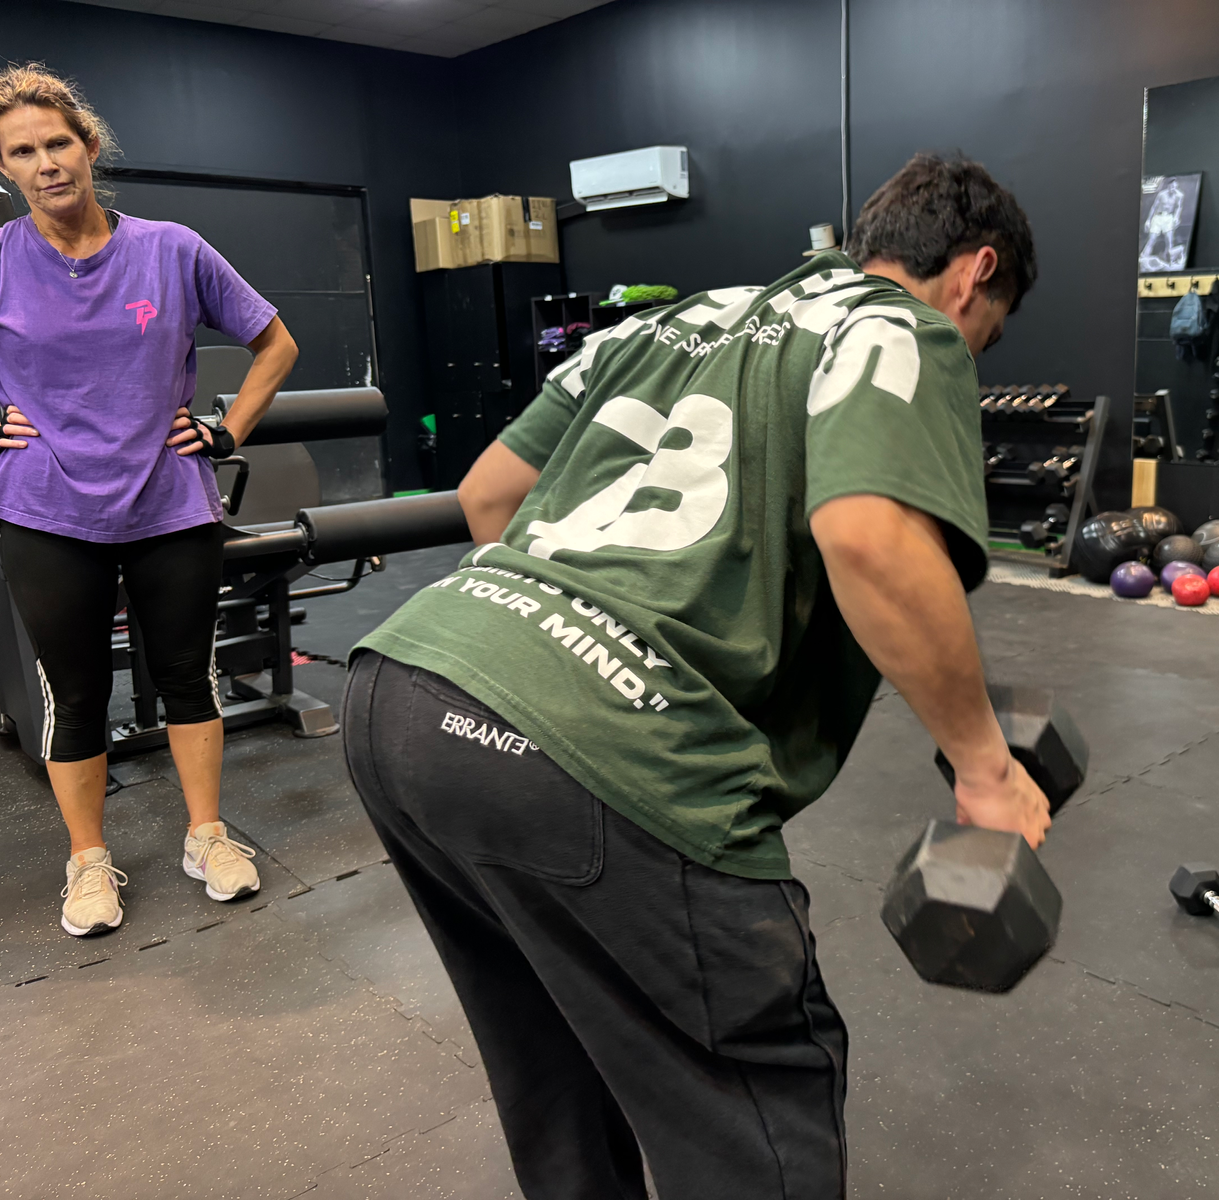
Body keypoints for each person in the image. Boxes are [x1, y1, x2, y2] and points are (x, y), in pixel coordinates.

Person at [343, 151, 1044, 1198]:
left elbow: (490, 495)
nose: (976, 349)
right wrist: (984, 770)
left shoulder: (681, 318)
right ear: (971, 272)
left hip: (407, 689)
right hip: (609, 753)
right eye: (990, 325)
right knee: (755, 1102)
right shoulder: (905, 329)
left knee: (555, 1062)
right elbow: (869, 540)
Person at [0, 65, 298, 936]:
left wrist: (227, 432)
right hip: (45, 509)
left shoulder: (172, 248)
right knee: (75, 693)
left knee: (185, 675)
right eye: (23, 152)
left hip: (171, 502)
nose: (47, 162)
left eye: (58, 142)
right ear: (3, 167)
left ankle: (207, 835)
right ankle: (88, 861)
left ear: (88, 146)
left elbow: (275, 344)